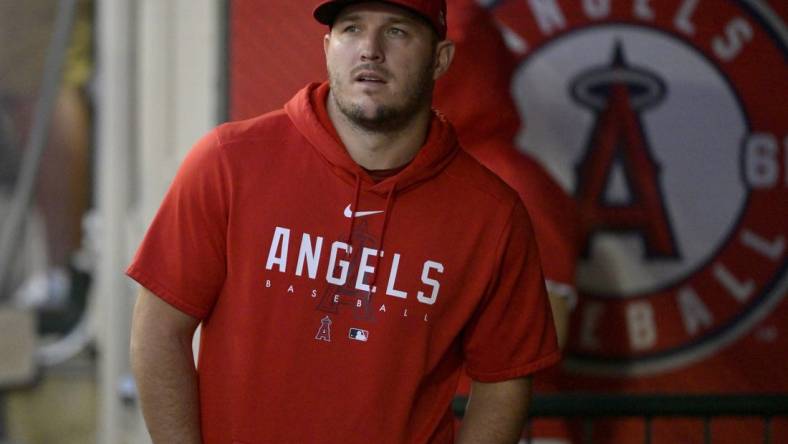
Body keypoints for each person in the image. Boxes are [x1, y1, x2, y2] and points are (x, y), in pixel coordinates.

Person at [127, 1, 560, 443]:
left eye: (397, 32)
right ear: (328, 46)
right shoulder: (227, 163)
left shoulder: (493, 215)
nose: (369, 49)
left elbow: (503, 379)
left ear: (441, 59)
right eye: (352, 29)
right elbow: (159, 332)